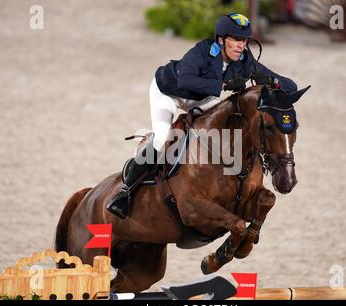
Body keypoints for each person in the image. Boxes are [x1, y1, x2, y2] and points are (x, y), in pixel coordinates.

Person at [107, 13, 297, 219]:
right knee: (162, 138)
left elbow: (290, 86)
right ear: (221, 40)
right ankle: (125, 191)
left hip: (200, 99)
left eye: (244, 40)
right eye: (235, 39)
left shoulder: (244, 60)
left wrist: (271, 80)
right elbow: (185, 81)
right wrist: (223, 85)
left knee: (223, 119)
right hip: (169, 93)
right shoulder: (202, 52)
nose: (240, 45)